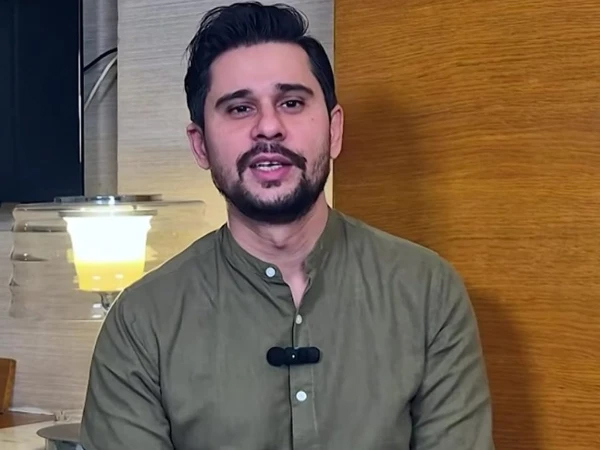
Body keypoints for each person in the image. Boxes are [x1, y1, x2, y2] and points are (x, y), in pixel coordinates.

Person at [80, 2, 495, 449]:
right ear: (200, 146)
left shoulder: (427, 292)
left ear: (334, 130)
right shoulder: (142, 323)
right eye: (240, 108)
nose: (269, 127)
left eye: (292, 103)